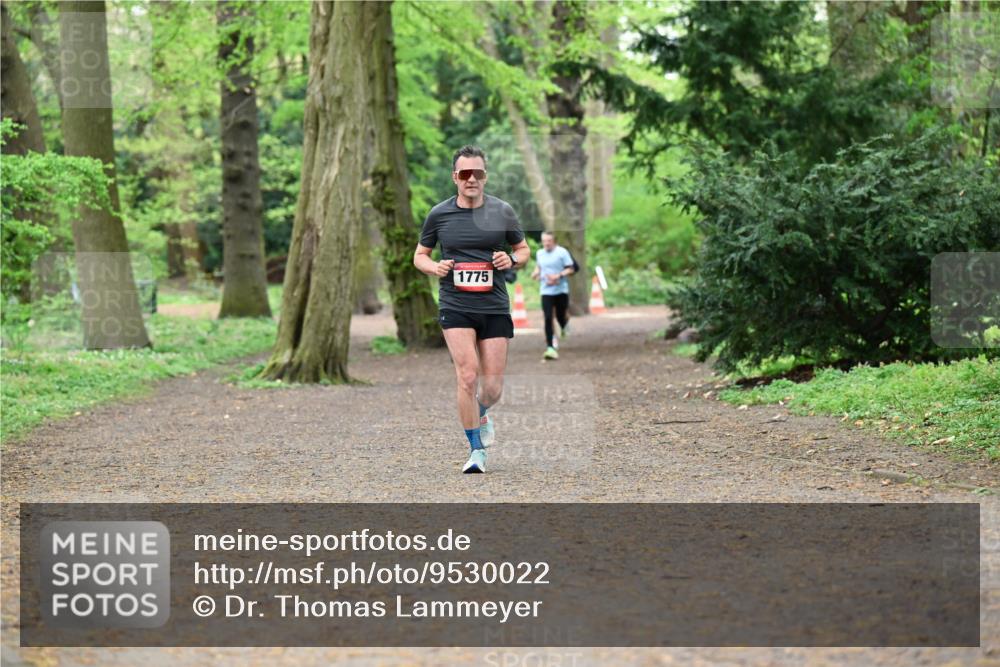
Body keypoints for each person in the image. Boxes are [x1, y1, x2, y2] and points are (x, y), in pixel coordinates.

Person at [413, 145, 530, 474]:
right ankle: (476, 450)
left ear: (485, 176)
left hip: (493, 304)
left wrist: (512, 258)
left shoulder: (502, 212)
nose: (471, 179)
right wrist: (433, 267)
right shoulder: (439, 214)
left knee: (492, 388)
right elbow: (419, 255)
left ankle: (480, 413)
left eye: (477, 173)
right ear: (455, 178)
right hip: (455, 304)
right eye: (465, 174)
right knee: (467, 376)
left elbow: (523, 249)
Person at [530, 231, 575, 360]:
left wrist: (558, 276)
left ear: (554, 241)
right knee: (548, 318)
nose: (546, 243)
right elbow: (539, 268)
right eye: (544, 241)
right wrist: (535, 273)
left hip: (561, 290)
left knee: (561, 316)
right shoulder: (540, 253)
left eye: (549, 241)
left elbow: (571, 269)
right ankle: (550, 348)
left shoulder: (562, 252)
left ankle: (564, 325)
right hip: (546, 291)